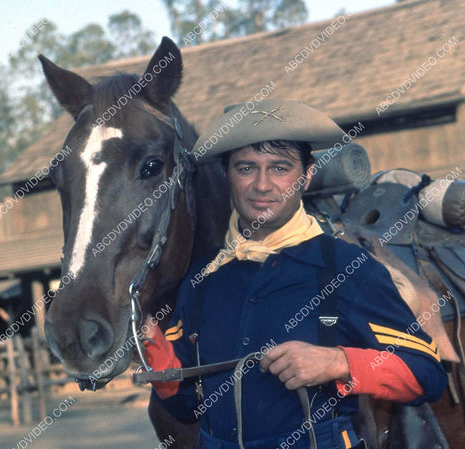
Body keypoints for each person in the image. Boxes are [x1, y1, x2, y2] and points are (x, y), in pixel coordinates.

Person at [140, 99, 447, 449]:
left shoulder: (347, 267)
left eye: (280, 168)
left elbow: (427, 375)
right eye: (245, 168)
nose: (262, 185)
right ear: (226, 173)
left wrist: (338, 362)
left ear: (307, 174)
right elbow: (186, 404)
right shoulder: (203, 277)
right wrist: (151, 345)